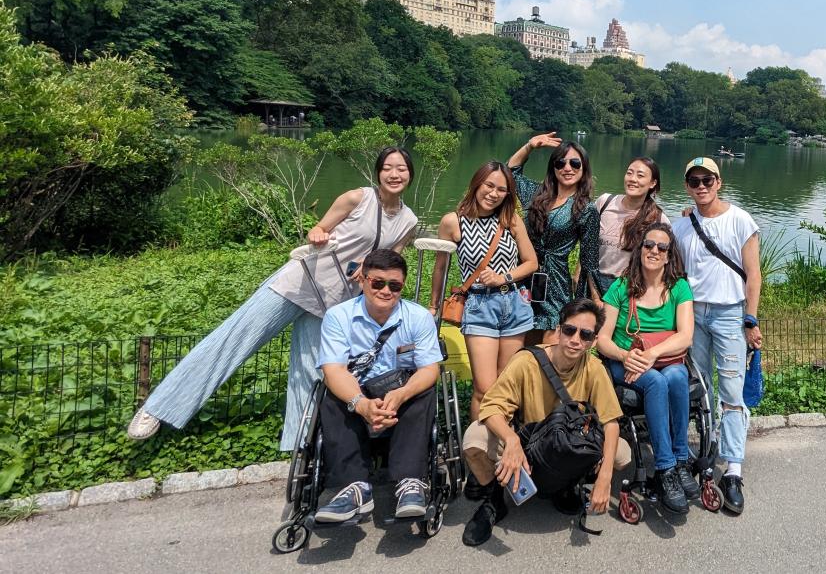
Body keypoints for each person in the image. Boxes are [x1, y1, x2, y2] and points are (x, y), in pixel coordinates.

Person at [128, 147, 419, 450]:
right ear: (378, 172)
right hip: (300, 282)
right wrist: (317, 233)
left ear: (410, 174)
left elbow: (390, 263)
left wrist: (370, 266)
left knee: (313, 369)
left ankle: (299, 444)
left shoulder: (408, 221)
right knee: (233, 339)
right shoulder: (356, 198)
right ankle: (158, 408)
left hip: (335, 301)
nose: (394, 174)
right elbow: (319, 228)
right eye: (388, 167)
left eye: (401, 168)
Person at [461, 299, 631, 547]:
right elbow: (492, 406)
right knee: (474, 438)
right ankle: (494, 498)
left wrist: (605, 477)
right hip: (529, 442)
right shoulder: (527, 362)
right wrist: (511, 439)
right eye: (570, 330)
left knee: (621, 453)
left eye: (585, 335)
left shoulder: (594, 368)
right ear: (559, 329)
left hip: (568, 443)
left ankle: (566, 485)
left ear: (594, 341)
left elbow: (611, 422)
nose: (575, 340)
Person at [312, 249, 443, 522]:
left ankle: (410, 482)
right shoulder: (338, 317)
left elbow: (430, 368)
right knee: (332, 394)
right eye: (378, 283)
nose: (386, 291)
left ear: (402, 287)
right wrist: (360, 404)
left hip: (399, 389)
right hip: (357, 389)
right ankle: (354, 487)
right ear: (364, 280)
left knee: (423, 391)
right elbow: (333, 368)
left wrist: (402, 393)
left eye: (394, 285)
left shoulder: (418, 317)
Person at [670, 157, 762, 515]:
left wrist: (750, 319)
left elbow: (753, 275)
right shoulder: (681, 226)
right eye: (694, 181)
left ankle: (733, 470)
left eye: (707, 179)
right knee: (699, 388)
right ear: (687, 186)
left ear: (719, 181)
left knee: (732, 391)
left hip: (729, 313)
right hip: (692, 313)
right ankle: (702, 454)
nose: (701, 186)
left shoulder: (740, 220)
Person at [595, 221, 695, 514]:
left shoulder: (679, 288)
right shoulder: (621, 286)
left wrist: (652, 354)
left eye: (661, 247)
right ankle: (665, 468)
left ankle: (680, 459)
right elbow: (602, 338)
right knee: (656, 382)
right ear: (640, 250)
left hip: (661, 359)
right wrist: (626, 357)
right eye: (649, 245)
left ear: (668, 255)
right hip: (623, 362)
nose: (654, 251)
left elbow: (685, 335)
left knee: (676, 375)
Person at [430, 161, 539, 420]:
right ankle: (479, 450)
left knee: (505, 386)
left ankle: (504, 446)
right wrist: (434, 305)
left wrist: (505, 276)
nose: (493, 194)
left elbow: (531, 262)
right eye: (489, 185)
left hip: (514, 304)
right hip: (479, 306)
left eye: (501, 189)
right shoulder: (453, 222)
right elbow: (440, 268)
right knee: (484, 388)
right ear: (477, 183)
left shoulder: (511, 219)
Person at [507, 132, 602, 343]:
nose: (567, 168)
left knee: (551, 350)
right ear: (553, 167)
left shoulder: (586, 209)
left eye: (575, 163)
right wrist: (530, 145)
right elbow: (511, 172)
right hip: (523, 275)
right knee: (521, 348)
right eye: (561, 163)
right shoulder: (536, 193)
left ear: (583, 168)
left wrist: (590, 301)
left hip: (555, 283)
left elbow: (589, 260)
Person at [594, 156, 669, 293]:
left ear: (652, 183)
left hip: (629, 287)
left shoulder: (658, 219)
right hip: (595, 283)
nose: (633, 179)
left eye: (640, 175)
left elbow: (664, 259)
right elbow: (587, 245)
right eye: (629, 173)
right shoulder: (604, 203)